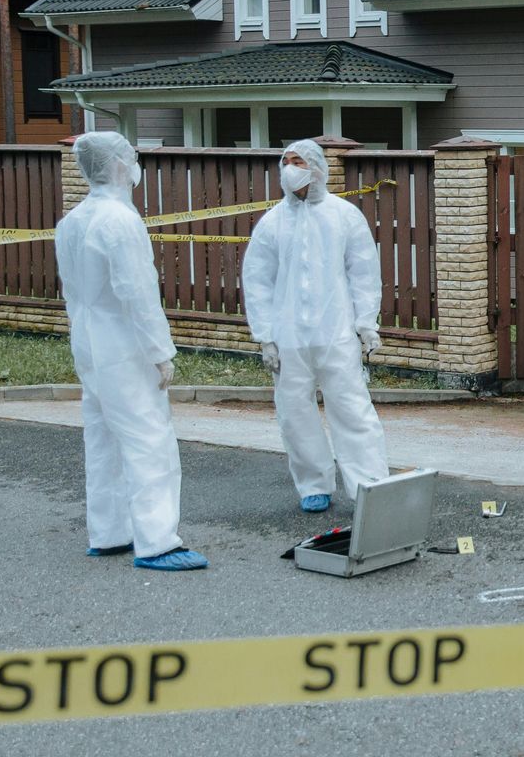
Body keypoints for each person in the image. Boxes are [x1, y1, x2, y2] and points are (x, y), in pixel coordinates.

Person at [56, 132, 206, 571]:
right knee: (148, 439)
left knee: (102, 437)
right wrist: (160, 351)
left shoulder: (73, 220)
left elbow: (72, 292)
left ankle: (109, 532)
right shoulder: (120, 221)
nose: (136, 164)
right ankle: (158, 541)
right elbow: (137, 293)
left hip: (87, 340)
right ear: (120, 166)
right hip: (124, 345)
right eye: (132, 157)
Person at [242, 139, 387, 512]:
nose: (291, 167)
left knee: (352, 408)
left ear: (318, 167)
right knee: (294, 413)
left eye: (299, 161)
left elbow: (364, 272)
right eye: (286, 161)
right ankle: (313, 485)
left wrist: (365, 323)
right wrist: (265, 336)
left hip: (336, 333)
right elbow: (257, 280)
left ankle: (368, 486)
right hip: (289, 338)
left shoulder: (343, 215)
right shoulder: (272, 223)